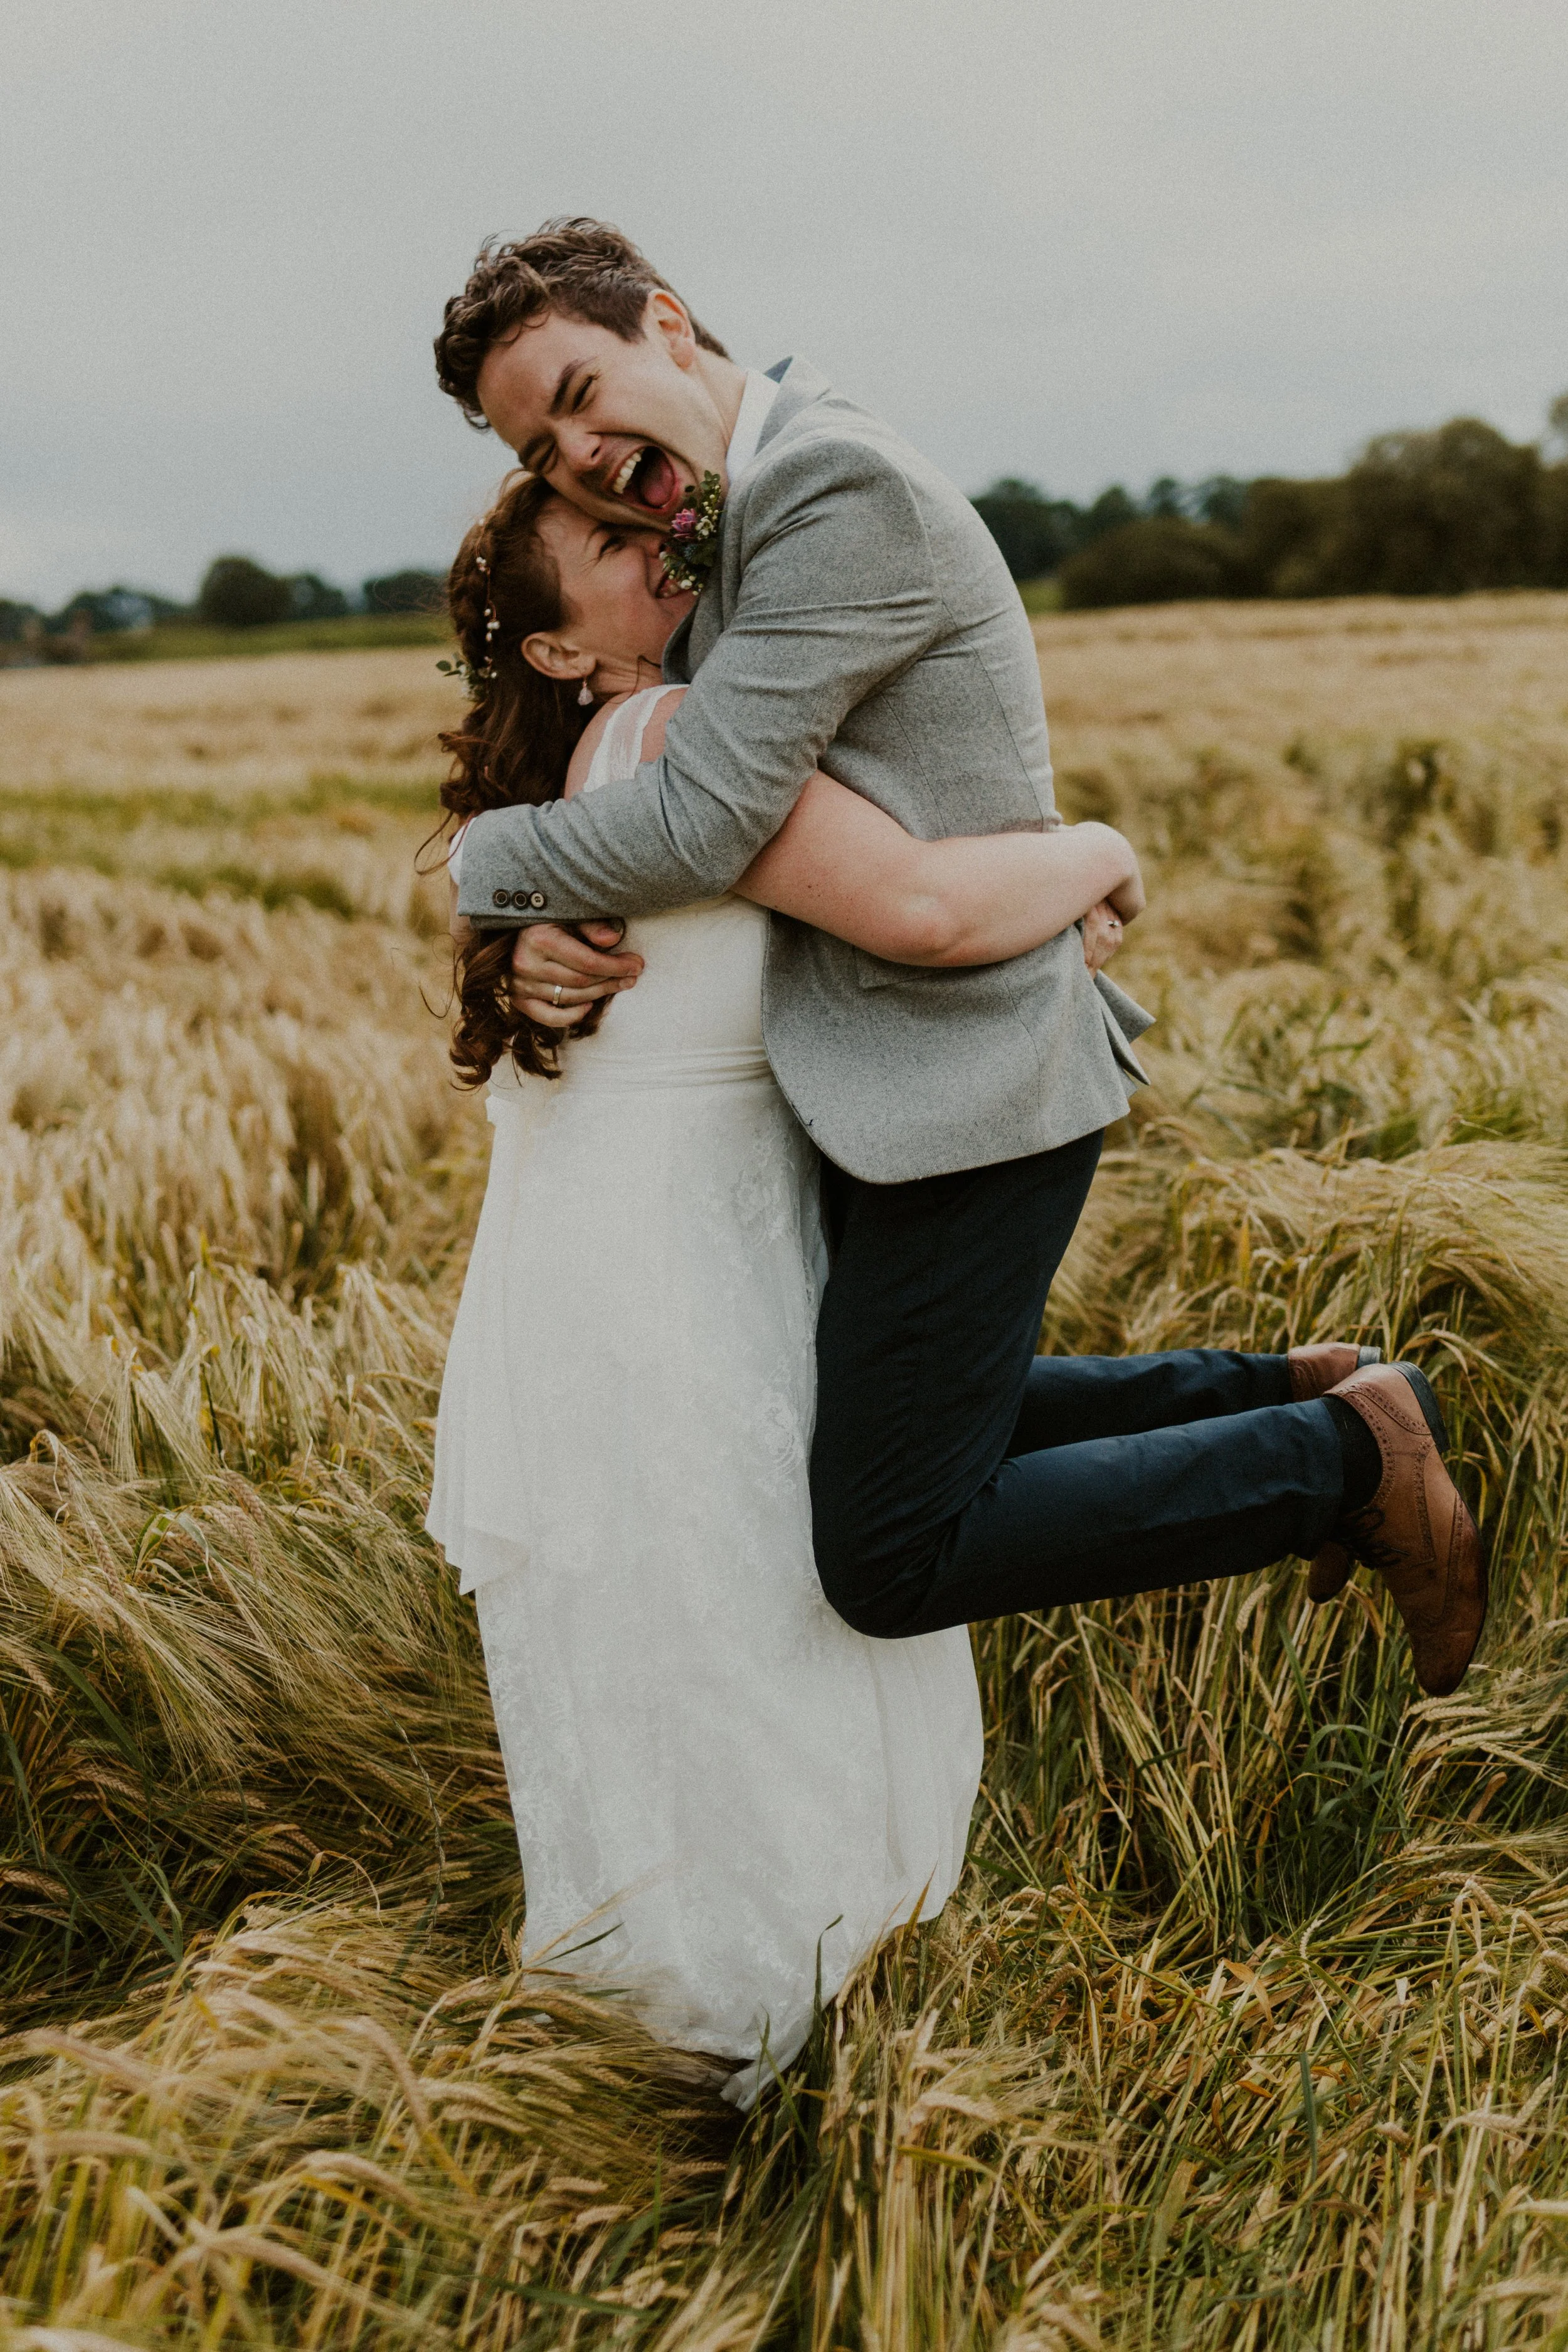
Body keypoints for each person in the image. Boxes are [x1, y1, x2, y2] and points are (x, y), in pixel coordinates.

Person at [433, 218, 1486, 1705]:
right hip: (885, 1067)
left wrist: (482, 872)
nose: (580, 456)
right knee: (894, 1420)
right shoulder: (726, 518)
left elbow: (716, 817)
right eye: (541, 451)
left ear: (665, 325)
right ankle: (1299, 1395)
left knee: (890, 1547)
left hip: (960, 1065)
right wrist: (533, 930)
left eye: (578, 394)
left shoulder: (829, 489)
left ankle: (1336, 1460)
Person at [425, 472, 1147, 2100]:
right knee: (746, 1612)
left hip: (644, 1222)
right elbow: (920, 907)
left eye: (653, 525)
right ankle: (767, 1995)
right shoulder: (682, 733)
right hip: (676, 1242)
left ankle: (679, 1980)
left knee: (674, 1610)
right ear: (556, 651)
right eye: (610, 548)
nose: (659, 550)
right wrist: (1093, 849)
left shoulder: (612, 752)